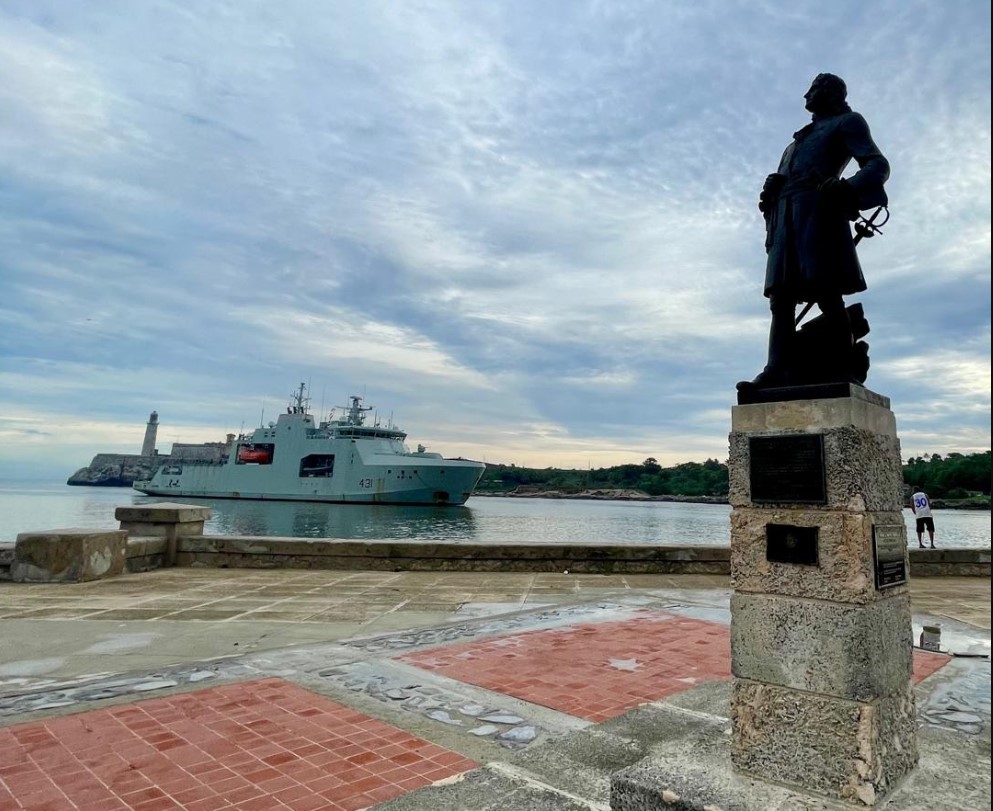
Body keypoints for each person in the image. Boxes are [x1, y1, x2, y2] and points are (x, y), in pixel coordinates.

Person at [739, 73, 890, 391]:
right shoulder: (795, 142)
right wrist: (772, 188)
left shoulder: (848, 122)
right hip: (786, 219)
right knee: (781, 298)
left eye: (815, 89)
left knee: (826, 290)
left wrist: (845, 186)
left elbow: (877, 165)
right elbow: (784, 180)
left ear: (832, 94)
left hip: (818, 213)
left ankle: (842, 367)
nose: (806, 94)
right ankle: (776, 370)